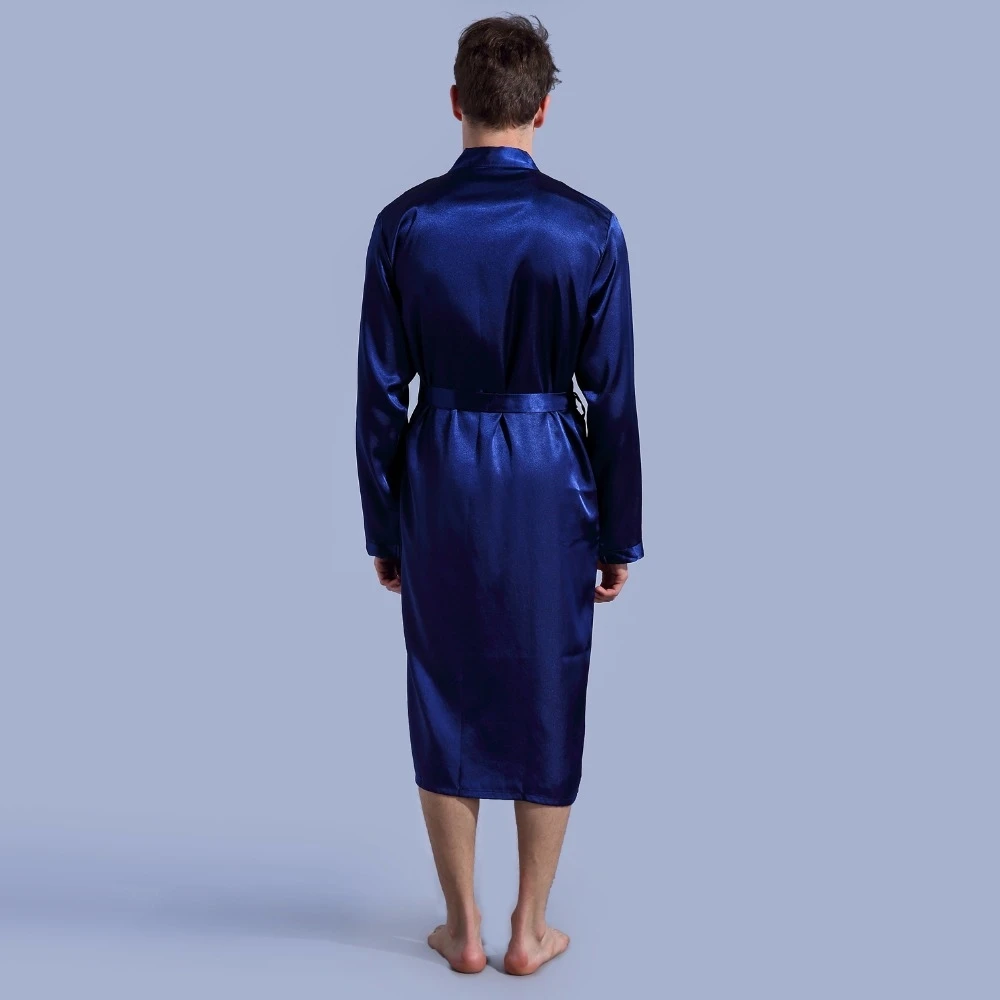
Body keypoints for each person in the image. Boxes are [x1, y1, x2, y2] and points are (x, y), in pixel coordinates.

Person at [355, 13, 644, 976]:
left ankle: (463, 930)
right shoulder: (590, 229)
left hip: (440, 470)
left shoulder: (405, 224)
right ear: (543, 109)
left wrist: (384, 524)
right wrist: (620, 534)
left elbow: (379, 391)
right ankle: (530, 928)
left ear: (455, 102)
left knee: (444, 685)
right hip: (549, 475)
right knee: (548, 682)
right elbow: (613, 397)